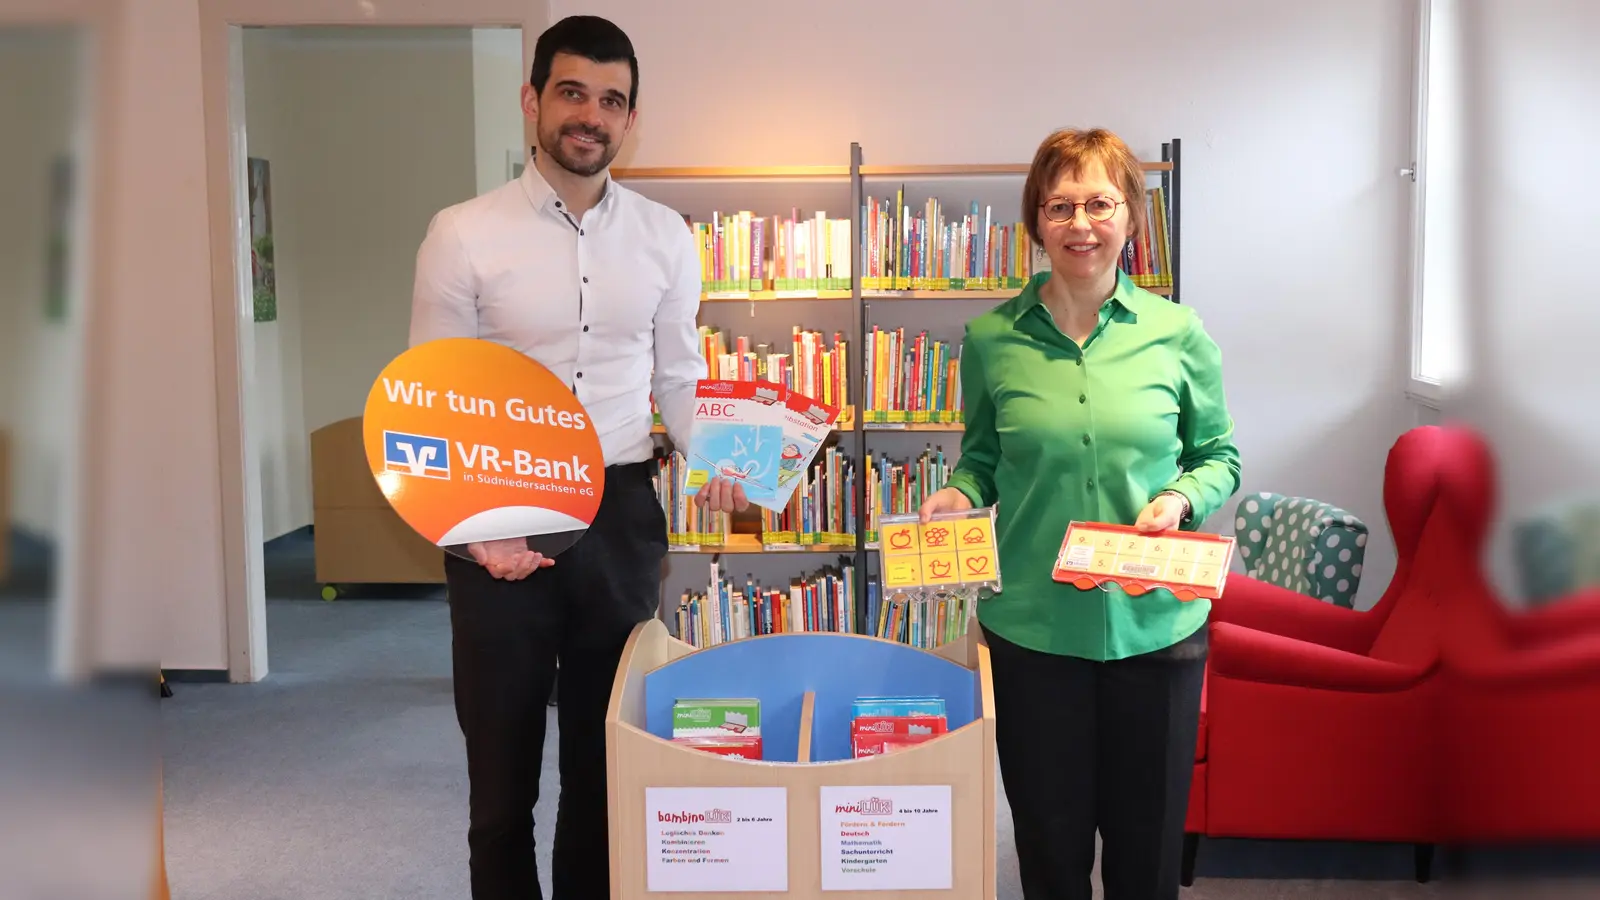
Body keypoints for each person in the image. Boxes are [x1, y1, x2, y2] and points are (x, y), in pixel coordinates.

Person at [408, 16, 747, 900]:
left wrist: (743, 463)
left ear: (630, 119)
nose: (590, 116)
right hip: (498, 516)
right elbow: (430, 397)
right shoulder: (462, 232)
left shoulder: (667, 237)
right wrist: (475, 532)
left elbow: (679, 379)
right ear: (533, 101)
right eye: (571, 93)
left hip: (621, 513)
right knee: (501, 783)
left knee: (607, 775)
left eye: (612, 100)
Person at [920, 127, 1241, 900]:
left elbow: (1219, 457)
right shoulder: (993, 340)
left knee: (1147, 859)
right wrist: (956, 494)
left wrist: (1179, 497)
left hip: (1156, 629)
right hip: (1034, 632)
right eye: (1060, 206)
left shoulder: (1178, 334)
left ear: (1130, 214)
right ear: (1035, 222)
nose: (1081, 224)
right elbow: (982, 459)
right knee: (1050, 852)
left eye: (1099, 202)